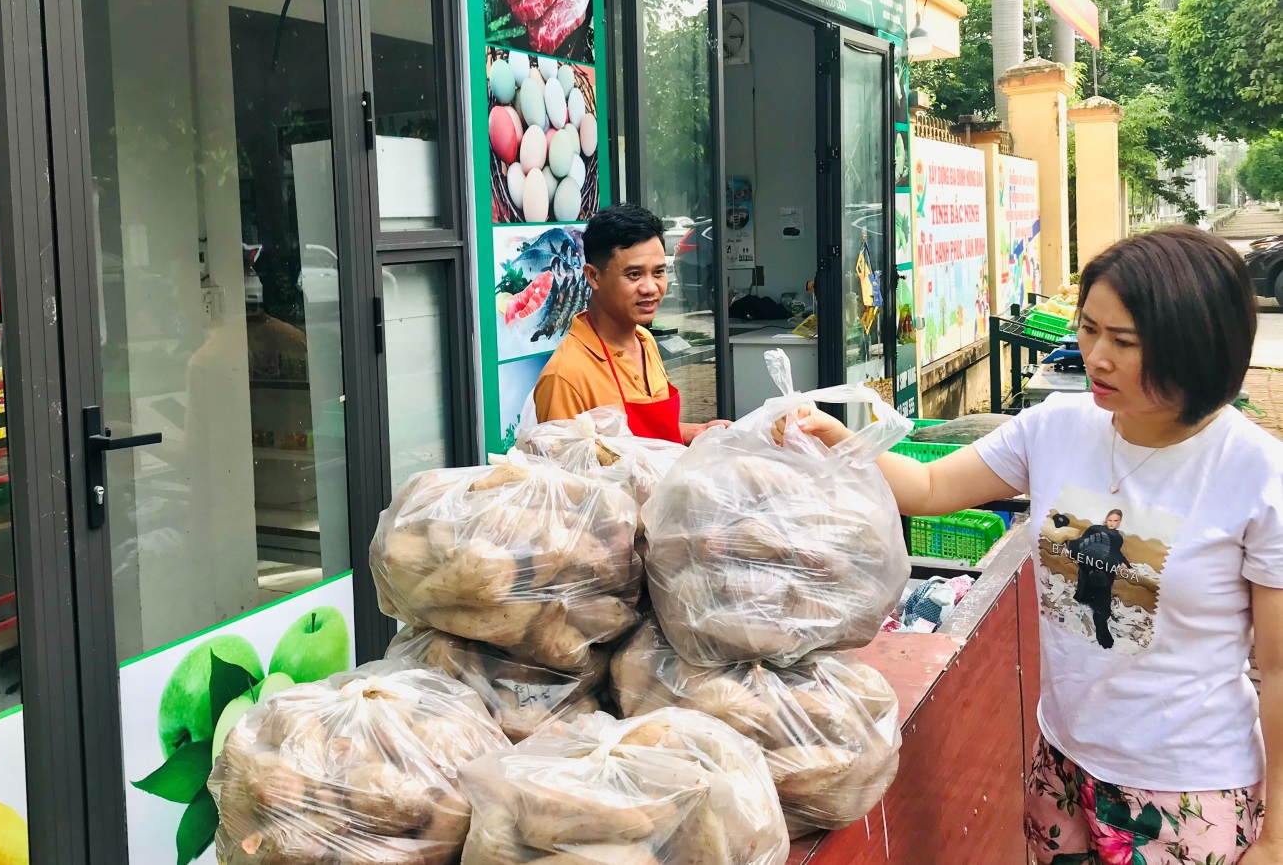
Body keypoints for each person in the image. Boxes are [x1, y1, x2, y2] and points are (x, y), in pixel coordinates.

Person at [800, 227, 1283, 865]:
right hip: (1061, 759)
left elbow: (1278, 670)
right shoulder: (1058, 426)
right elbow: (930, 485)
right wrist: (835, 437)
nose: (1096, 357)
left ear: (1195, 345)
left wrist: (1276, 838)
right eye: (1088, 330)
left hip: (1184, 785)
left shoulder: (1256, 474)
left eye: (1125, 342)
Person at [533, 204, 728, 444]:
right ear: (593, 276)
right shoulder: (565, 377)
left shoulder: (645, 342)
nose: (650, 288)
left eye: (658, 272)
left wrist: (696, 431)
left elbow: (646, 434)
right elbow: (566, 474)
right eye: (634, 274)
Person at [1064, 508, 1130, 649]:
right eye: (1110, 520)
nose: (1112, 523)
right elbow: (1082, 541)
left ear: (1120, 522)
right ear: (1106, 519)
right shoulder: (1094, 528)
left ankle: (1101, 625)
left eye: (1115, 521)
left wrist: (1124, 563)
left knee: (1102, 593)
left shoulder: (1118, 537)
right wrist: (1071, 547)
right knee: (1085, 593)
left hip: (1104, 567)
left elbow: (1115, 552)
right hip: (1088, 563)